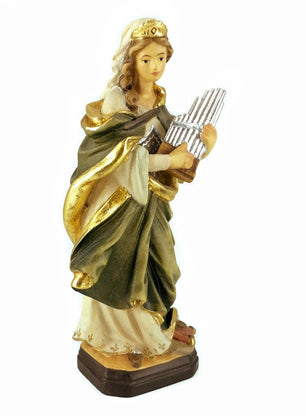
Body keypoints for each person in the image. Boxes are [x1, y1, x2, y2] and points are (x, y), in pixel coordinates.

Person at [63, 18, 216, 368]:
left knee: (164, 265)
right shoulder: (117, 100)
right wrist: (170, 160)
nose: (155, 67)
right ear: (131, 60)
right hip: (118, 205)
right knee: (119, 272)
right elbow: (121, 159)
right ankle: (124, 341)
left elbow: (174, 148)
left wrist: (204, 147)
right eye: (146, 59)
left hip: (150, 202)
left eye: (161, 58)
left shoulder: (159, 99)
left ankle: (155, 326)